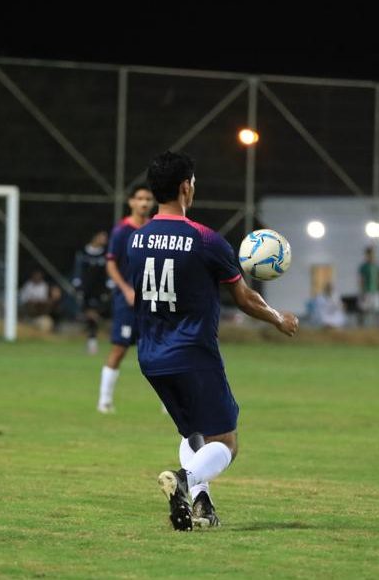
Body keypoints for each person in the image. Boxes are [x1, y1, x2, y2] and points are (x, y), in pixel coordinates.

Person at [128, 151, 298, 531]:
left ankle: (202, 504)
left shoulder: (136, 240)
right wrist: (278, 318)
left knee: (193, 433)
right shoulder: (206, 240)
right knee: (226, 442)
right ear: (185, 187)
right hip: (193, 354)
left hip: (151, 357)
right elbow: (245, 299)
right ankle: (183, 480)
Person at [95, 185, 155, 413]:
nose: (144, 202)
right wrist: (127, 290)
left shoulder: (155, 229)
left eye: (148, 198)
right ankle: (104, 401)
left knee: (162, 351)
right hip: (127, 302)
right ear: (131, 202)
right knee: (119, 349)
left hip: (153, 300)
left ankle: (169, 404)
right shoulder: (121, 231)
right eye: (139, 198)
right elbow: (110, 264)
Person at [72, 231, 109, 355]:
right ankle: (91, 340)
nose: (104, 240)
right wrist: (77, 285)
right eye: (102, 237)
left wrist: (109, 285)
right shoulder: (83, 252)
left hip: (100, 290)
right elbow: (78, 270)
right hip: (86, 289)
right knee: (89, 314)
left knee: (94, 314)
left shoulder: (105, 253)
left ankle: (92, 340)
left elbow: (109, 270)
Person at [358, 246, 379, 328]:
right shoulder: (363, 266)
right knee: (364, 309)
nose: (370, 256)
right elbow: (361, 280)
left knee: (377, 309)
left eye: (371, 254)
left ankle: (377, 326)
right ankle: (361, 326)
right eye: (368, 254)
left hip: (376, 291)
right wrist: (362, 291)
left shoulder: (377, 266)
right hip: (367, 291)